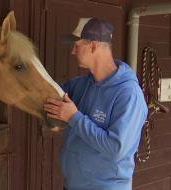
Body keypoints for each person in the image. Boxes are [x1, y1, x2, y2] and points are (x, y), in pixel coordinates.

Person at [44, 17, 148, 190]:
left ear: (93, 46)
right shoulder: (79, 85)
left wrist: (74, 117)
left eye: (76, 46)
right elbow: (48, 96)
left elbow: (115, 149)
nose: (72, 51)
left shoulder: (129, 94)